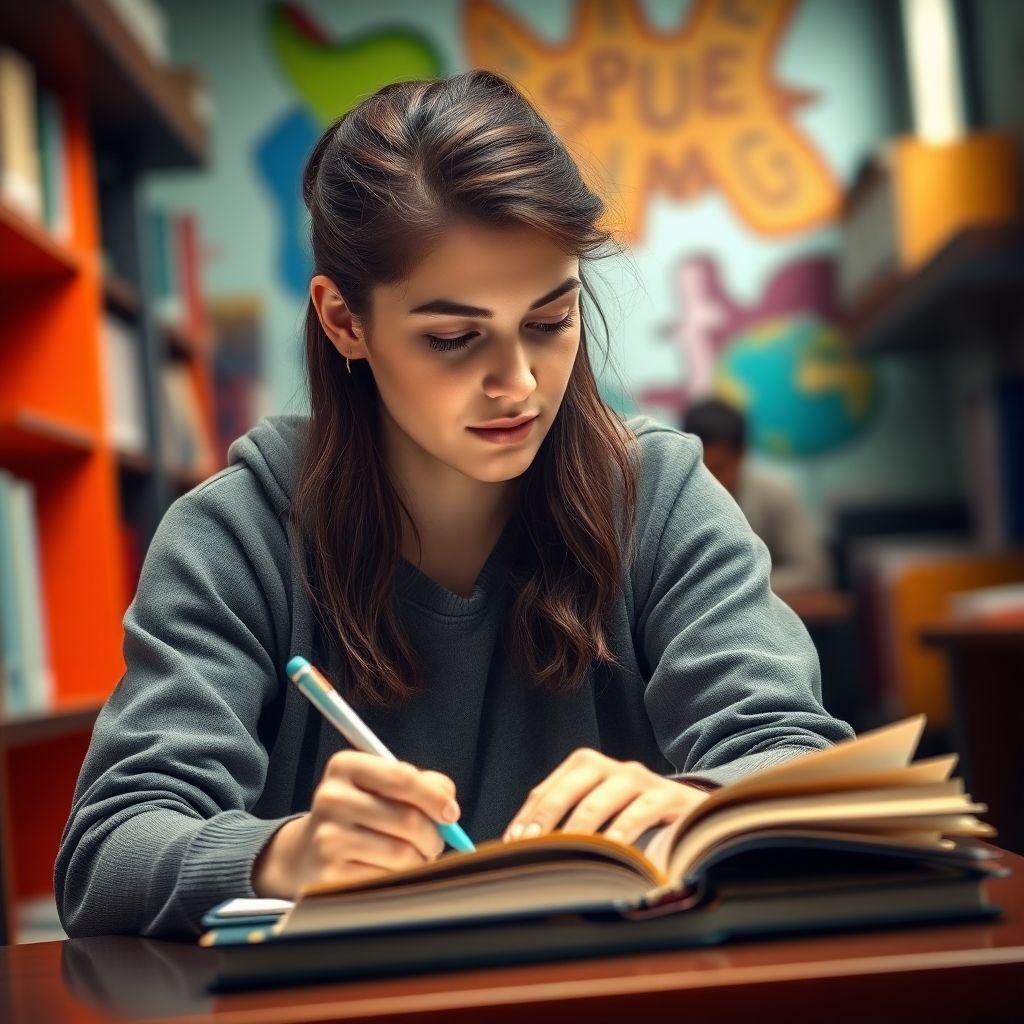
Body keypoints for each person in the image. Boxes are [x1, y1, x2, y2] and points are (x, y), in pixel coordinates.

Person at [55, 70, 852, 939]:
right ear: (343, 322)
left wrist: (697, 803)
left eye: (550, 320)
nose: (518, 385)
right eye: (452, 338)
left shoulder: (659, 498)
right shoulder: (236, 533)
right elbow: (109, 849)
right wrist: (286, 855)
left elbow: (798, 757)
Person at [682, 398, 835, 595]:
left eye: (720, 467)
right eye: (702, 468)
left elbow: (814, 573)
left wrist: (735, 587)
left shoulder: (775, 493)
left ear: (742, 455)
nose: (710, 478)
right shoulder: (676, 496)